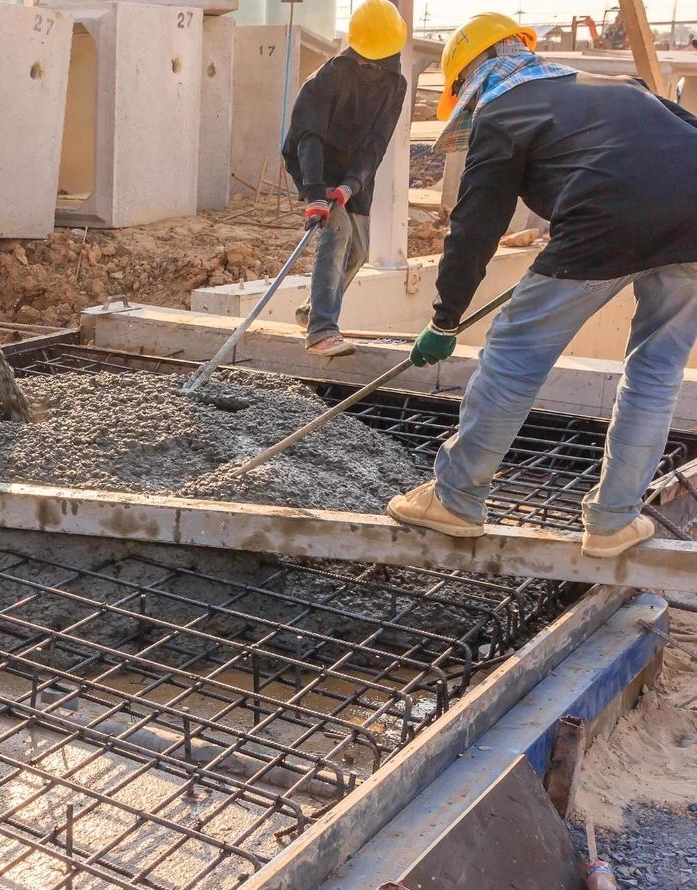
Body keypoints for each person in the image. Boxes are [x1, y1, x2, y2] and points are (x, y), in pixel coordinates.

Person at [387, 12, 697, 558]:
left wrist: (445, 319)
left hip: (603, 223)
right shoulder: (618, 88)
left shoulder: (501, 112)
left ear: (470, 78)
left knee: (513, 356)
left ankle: (456, 498)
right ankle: (614, 522)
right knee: (656, 371)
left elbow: (475, 226)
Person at [282, 0, 409, 358]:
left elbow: (377, 142)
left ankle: (311, 312)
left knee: (360, 249)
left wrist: (352, 184)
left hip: (356, 168)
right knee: (336, 233)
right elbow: (309, 138)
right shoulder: (328, 77)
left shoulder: (394, 83)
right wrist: (316, 194)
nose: (373, 65)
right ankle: (322, 331)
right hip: (314, 161)